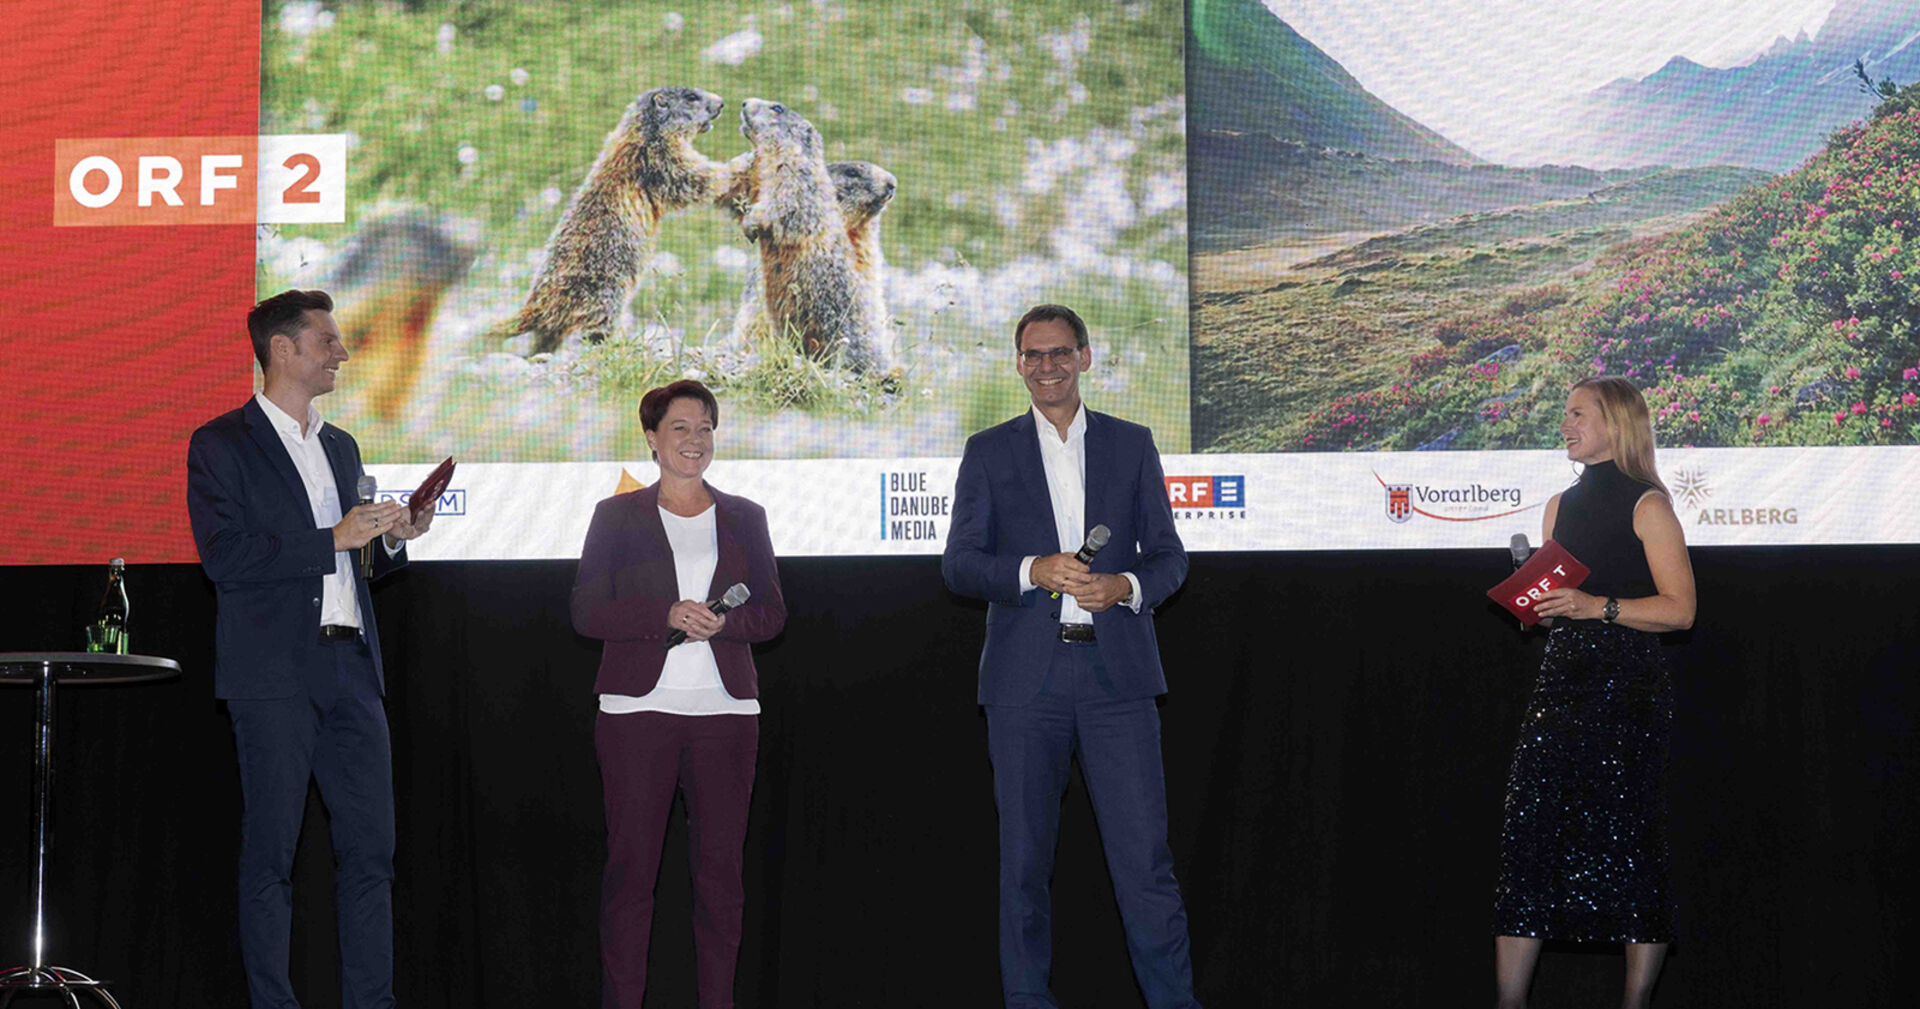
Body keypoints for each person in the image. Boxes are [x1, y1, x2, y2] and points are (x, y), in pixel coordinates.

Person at [943, 304, 1202, 1009]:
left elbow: (1172, 557)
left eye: (1061, 353)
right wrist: (1033, 568)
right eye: (1034, 354)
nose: (1048, 366)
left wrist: (1125, 585)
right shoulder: (988, 450)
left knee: (1145, 865)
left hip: (1118, 682)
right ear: (1018, 363)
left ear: (1086, 358)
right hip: (1026, 688)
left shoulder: (1132, 443)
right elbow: (960, 565)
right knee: (1024, 867)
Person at [186, 289, 433, 1009]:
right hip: (273, 676)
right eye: (328, 341)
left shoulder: (341, 444)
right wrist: (334, 537)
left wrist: (391, 537)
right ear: (283, 350)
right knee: (271, 857)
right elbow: (224, 557)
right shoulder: (220, 442)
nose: (343, 354)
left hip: (352, 669)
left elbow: (364, 559)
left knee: (372, 855)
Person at [570, 379, 786, 1009]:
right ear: (652, 441)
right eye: (681, 429)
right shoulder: (616, 515)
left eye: (705, 428)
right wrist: (664, 613)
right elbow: (586, 611)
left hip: (727, 714)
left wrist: (726, 622)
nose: (695, 441)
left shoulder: (746, 516)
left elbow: (771, 614)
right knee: (631, 876)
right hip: (636, 714)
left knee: (721, 879)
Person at [1493, 376, 1697, 1009]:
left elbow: (1681, 611)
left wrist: (1594, 606)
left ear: (1616, 423)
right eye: (1566, 413)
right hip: (1562, 679)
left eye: (1578, 413)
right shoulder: (1559, 505)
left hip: (1628, 685)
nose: (1566, 424)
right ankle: (1508, 1001)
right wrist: (1541, 606)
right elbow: (1560, 610)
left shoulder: (1648, 505)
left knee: (1630, 840)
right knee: (1528, 835)